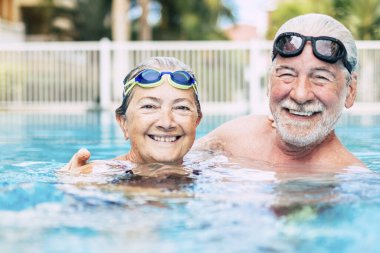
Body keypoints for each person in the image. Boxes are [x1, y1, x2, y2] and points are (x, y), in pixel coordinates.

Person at [195, 13, 366, 170]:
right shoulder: (232, 138)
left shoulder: (353, 181)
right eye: (287, 74)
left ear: (350, 91)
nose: (300, 95)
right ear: (269, 82)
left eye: (321, 78)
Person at [62, 56, 202, 174]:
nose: (166, 123)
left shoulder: (212, 169)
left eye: (181, 108)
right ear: (124, 123)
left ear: (196, 121)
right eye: (149, 106)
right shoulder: (100, 175)